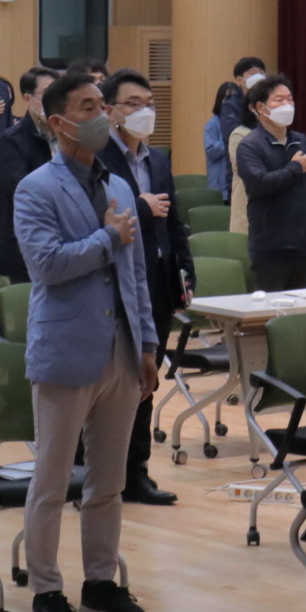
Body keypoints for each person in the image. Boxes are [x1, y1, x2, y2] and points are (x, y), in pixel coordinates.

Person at [12, 69, 158, 612]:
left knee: (109, 481)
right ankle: (46, 589)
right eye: (88, 107)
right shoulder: (35, 188)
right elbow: (47, 265)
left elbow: (135, 275)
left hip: (121, 351)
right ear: (59, 122)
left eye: (103, 105)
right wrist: (107, 238)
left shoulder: (118, 185)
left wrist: (147, 343)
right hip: (66, 349)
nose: (103, 116)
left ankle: (100, 582)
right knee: (52, 481)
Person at [95, 70, 182, 506]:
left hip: (158, 282)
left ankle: (136, 472)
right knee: (110, 385)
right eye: (133, 103)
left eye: (148, 103)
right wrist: (141, 208)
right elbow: (104, 220)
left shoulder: (158, 159)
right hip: (117, 283)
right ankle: (94, 473)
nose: (144, 111)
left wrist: (184, 272)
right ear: (110, 111)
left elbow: (174, 222)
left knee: (147, 381)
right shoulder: (98, 159)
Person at [233, 72, 306, 291]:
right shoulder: (250, 146)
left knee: (300, 304)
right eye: (279, 100)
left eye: (290, 99)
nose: (287, 105)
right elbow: (259, 183)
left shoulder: (300, 141)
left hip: (303, 244)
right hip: (271, 246)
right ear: (261, 108)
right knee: (270, 305)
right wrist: (294, 168)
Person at [0, 67, 55, 282]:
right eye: (47, 93)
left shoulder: (69, 136)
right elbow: (20, 188)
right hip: (24, 244)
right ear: (28, 99)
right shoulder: (11, 140)